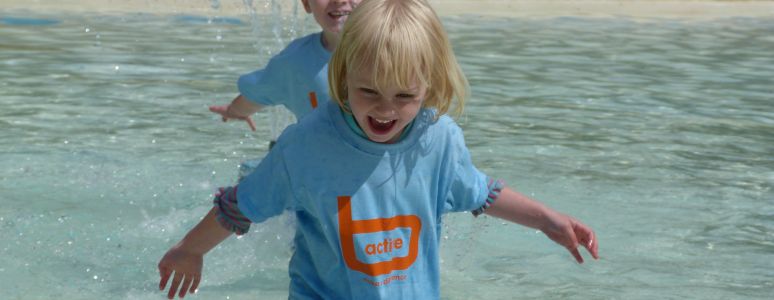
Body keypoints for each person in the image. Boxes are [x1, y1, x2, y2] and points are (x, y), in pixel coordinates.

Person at [157, 0, 599, 299]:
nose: (385, 109)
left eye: (404, 97)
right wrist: (190, 250)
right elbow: (240, 206)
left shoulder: (438, 138)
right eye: (368, 90)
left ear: (431, 84)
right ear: (342, 76)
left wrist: (546, 219)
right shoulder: (308, 145)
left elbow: (480, 192)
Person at [209, 0, 362, 132]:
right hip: (319, 161)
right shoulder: (296, 61)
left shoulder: (386, 52)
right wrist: (233, 111)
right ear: (306, 3)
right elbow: (260, 93)